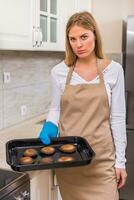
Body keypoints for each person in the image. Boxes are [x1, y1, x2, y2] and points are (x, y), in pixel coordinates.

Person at [39, 11, 127, 200]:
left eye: (84, 37)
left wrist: (121, 162)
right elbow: (56, 109)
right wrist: (50, 124)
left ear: (95, 34)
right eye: (72, 39)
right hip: (69, 160)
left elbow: (118, 119)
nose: (78, 44)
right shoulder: (59, 72)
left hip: (102, 161)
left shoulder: (114, 70)